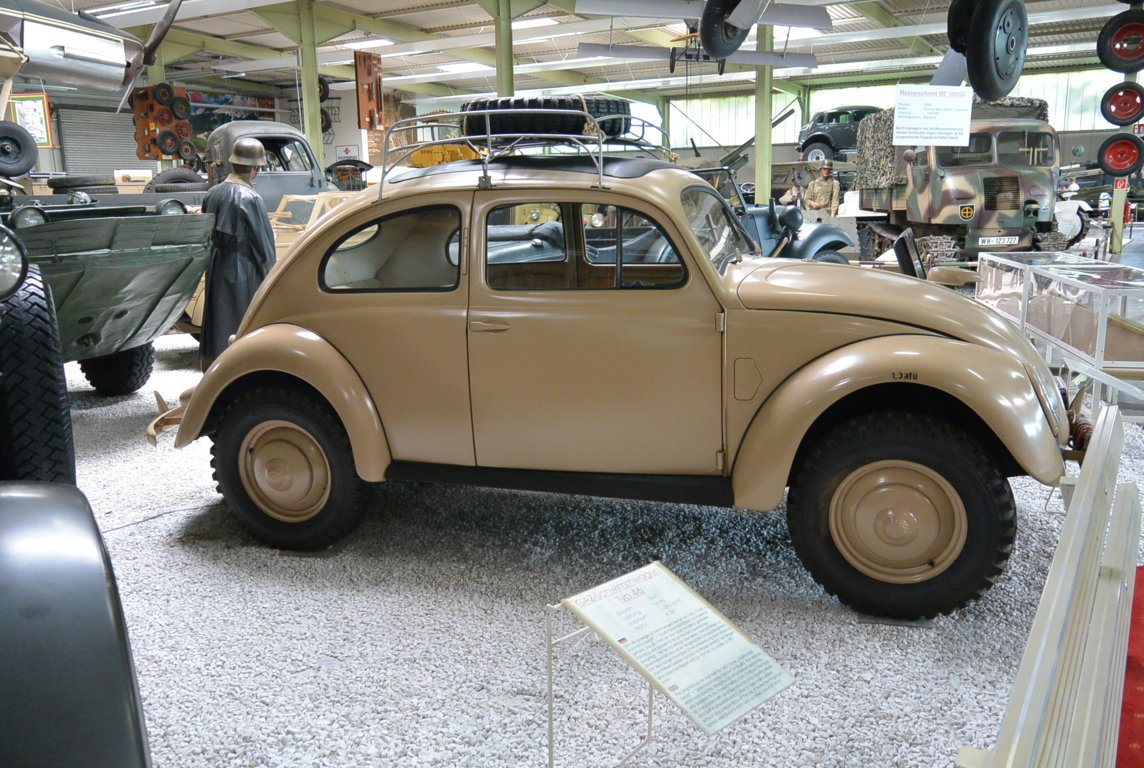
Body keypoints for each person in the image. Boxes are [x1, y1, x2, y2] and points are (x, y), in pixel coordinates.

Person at [199, 137, 276, 371]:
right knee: (240, 322)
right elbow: (263, 245)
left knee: (217, 321)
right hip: (243, 268)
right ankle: (241, 369)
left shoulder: (213, 193)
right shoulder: (250, 197)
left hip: (217, 265)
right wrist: (272, 278)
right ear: (255, 168)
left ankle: (215, 368)